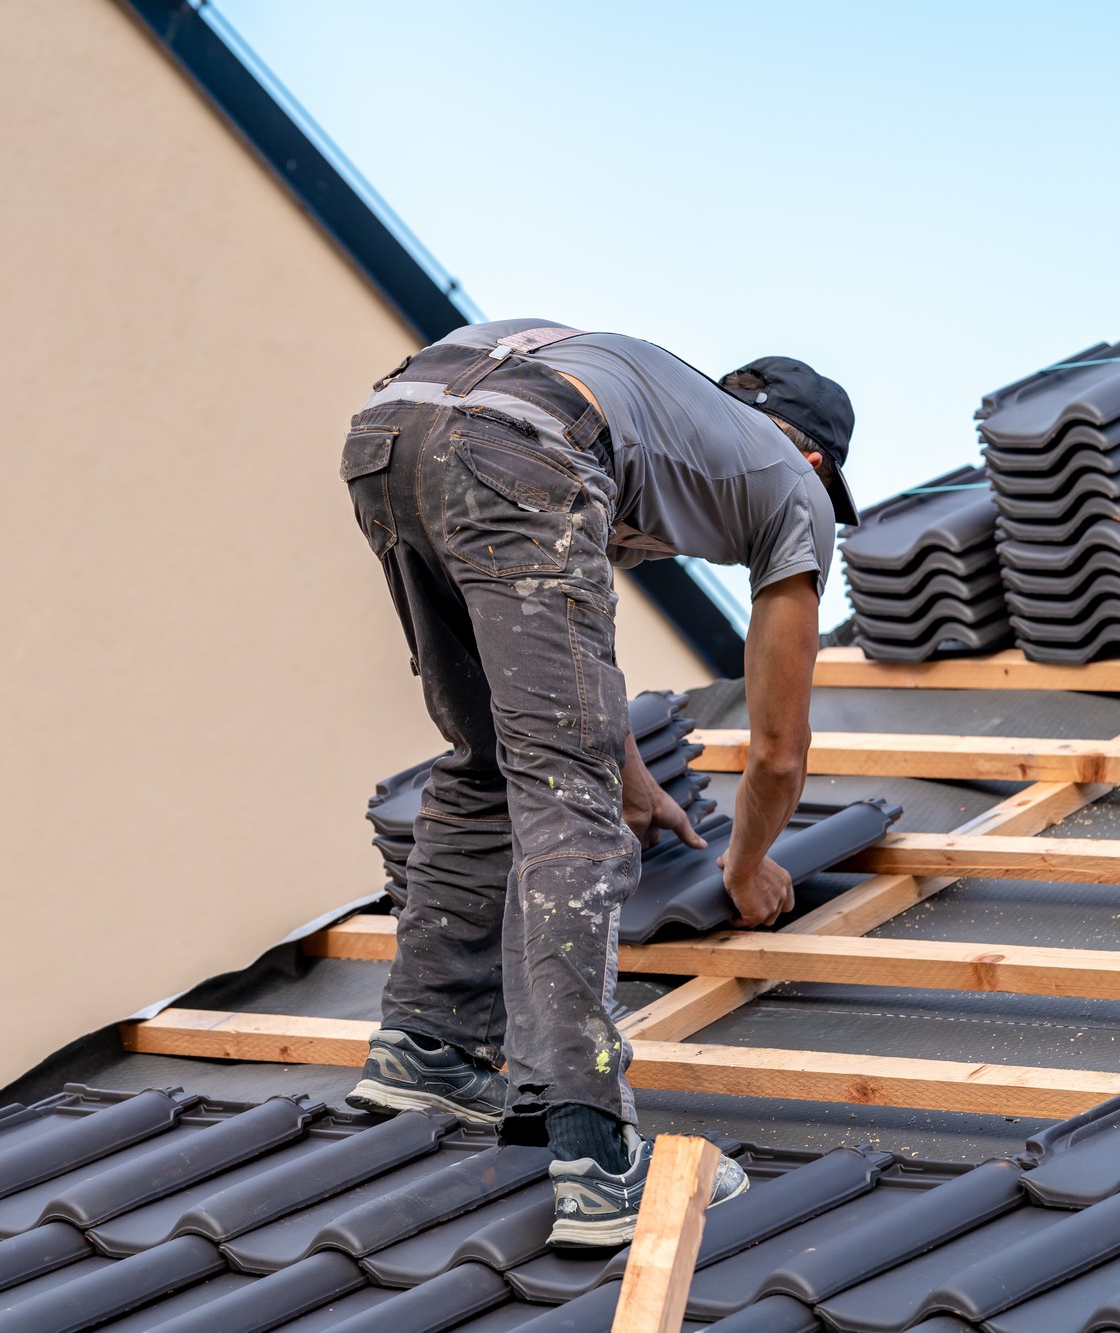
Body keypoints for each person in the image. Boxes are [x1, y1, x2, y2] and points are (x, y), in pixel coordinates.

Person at [337, 319, 855, 1247]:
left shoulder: (663, 426)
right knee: (564, 804)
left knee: (491, 755)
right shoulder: (791, 490)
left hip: (394, 426)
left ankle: (427, 1042)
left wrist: (627, 768)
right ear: (812, 456)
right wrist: (746, 865)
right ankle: (595, 1149)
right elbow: (779, 748)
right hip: (522, 442)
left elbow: (561, 661)